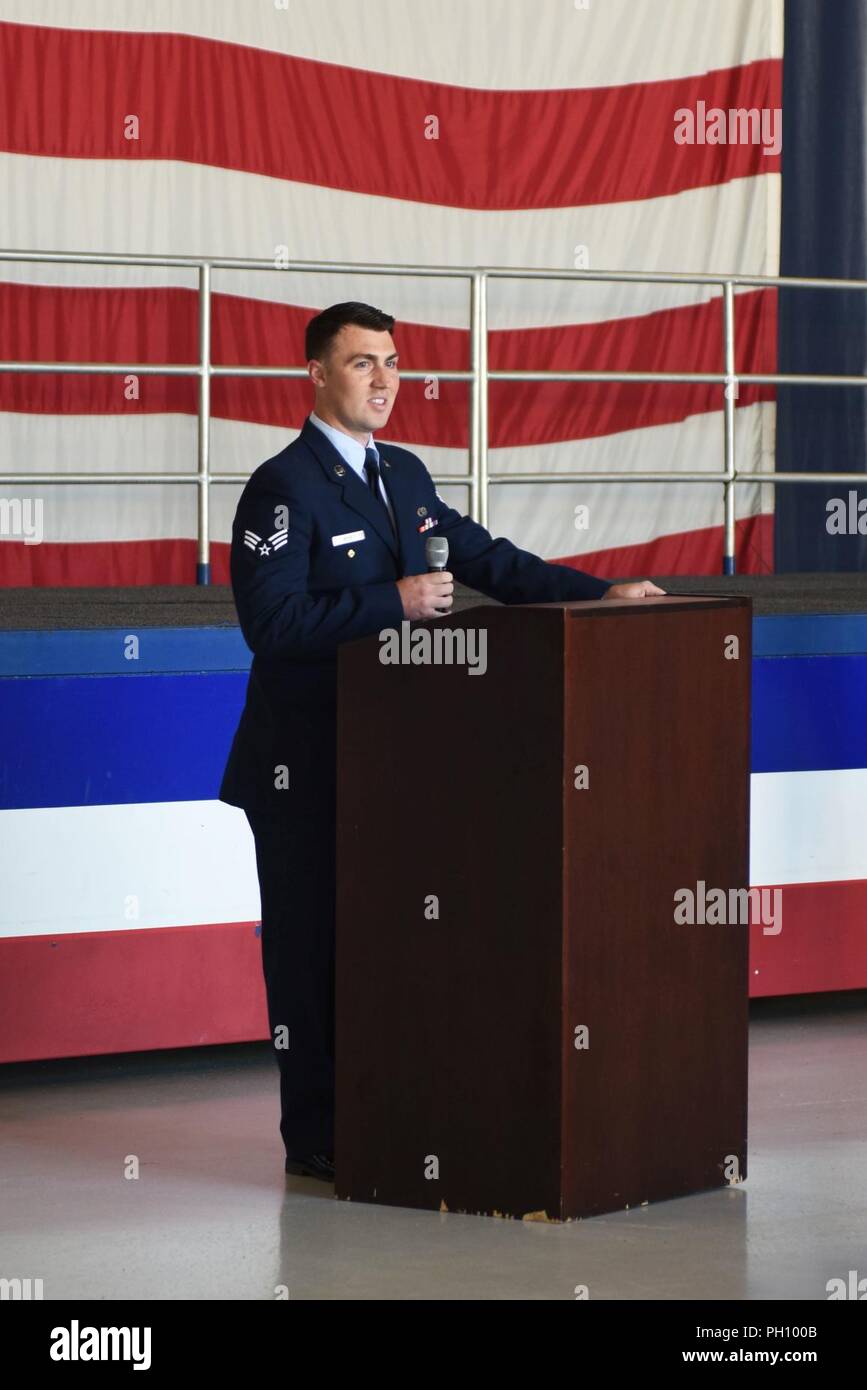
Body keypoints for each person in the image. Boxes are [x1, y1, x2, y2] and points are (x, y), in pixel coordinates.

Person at [219, 301, 665, 1181]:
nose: (384, 379)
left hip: (393, 765)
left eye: (391, 362)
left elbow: (484, 556)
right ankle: (316, 1134)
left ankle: (390, 1112)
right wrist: (397, 601)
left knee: (394, 945)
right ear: (315, 374)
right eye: (361, 364)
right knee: (312, 952)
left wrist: (597, 592)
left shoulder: (406, 474)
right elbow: (269, 624)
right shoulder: (283, 486)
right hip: (302, 769)